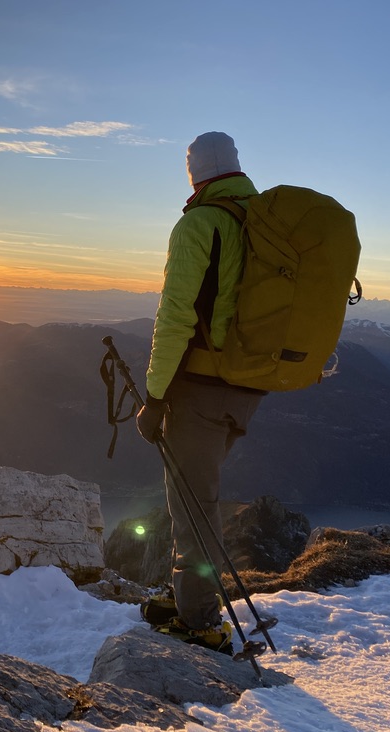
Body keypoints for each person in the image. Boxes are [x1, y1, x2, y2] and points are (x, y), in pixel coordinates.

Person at [135, 131, 266, 653]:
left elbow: (175, 317)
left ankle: (199, 622)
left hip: (200, 386)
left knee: (192, 503)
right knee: (191, 494)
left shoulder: (201, 223)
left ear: (194, 173)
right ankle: (185, 593)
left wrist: (155, 395)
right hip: (248, 385)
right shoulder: (263, 220)